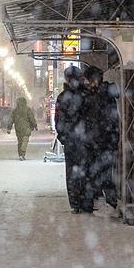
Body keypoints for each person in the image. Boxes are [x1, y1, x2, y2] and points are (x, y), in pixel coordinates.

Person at [83, 66, 121, 218]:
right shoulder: (104, 94)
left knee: (106, 174)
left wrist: (96, 139)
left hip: (104, 141)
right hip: (106, 140)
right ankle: (111, 204)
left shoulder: (100, 96)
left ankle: (112, 205)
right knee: (105, 173)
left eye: (87, 80)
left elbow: (99, 121)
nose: (85, 83)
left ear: (95, 81)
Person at [56, 66, 89, 213]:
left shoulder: (63, 97)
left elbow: (59, 121)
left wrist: (63, 137)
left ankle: (76, 203)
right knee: (84, 170)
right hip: (83, 139)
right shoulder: (85, 95)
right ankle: (83, 202)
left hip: (71, 140)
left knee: (72, 172)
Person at [7, 96, 37, 161]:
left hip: (18, 128)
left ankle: (20, 154)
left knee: (20, 141)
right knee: (25, 140)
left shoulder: (15, 111)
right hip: (26, 127)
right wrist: (35, 125)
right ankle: (22, 153)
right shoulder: (27, 109)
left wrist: (9, 128)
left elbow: (11, 120)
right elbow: (32, 118)